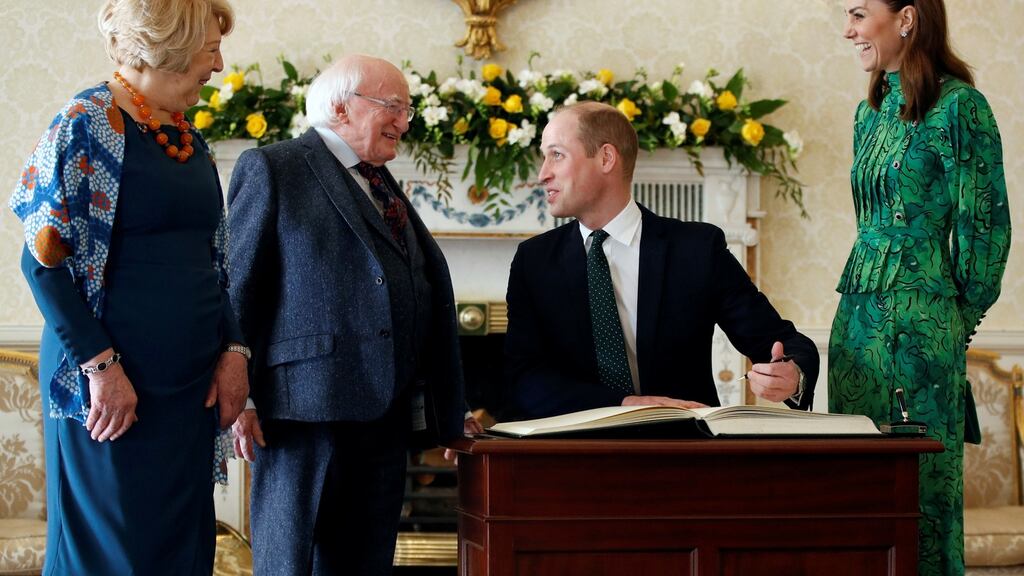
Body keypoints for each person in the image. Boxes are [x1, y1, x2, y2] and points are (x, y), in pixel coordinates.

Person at [8, 0, 247, 574]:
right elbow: (42, 262)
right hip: (113, 390)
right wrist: (101, 367)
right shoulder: (86, 124)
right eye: (211, 49)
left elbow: (218, 263)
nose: (218, 65)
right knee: (117, 555)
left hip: (187, 392)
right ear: (173, 47)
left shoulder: (185, 135)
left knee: (182, 552)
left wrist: (234, 351)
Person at [227, 54, 477, 576]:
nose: (404, 122)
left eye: (407, 109)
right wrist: (241, 396)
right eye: (392, 106)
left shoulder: (380, 181)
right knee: (292, 566)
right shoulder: (274, 167)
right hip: (303, 417)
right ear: (341, 107)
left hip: (383, 421)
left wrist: (443, 406)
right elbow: (237, 287)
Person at [831, 1, 1011, 573]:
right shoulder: (869, 114)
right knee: (855, 498)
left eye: (859, 13)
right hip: (855, 322)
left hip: (922, 328)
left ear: (906, 18)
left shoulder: (961, 107)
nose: (849, 29)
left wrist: (951, 320)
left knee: (923, 503)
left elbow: (986, 228)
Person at [504, 101, 818, 421]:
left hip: (681, 454)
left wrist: (793, 376)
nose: (543, 174)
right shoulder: (534, 261)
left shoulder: (697, 249)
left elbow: (782, 343)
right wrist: (625, 405)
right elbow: (522, 379)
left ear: (606, 158)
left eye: (556, 154)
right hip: (567, 456)